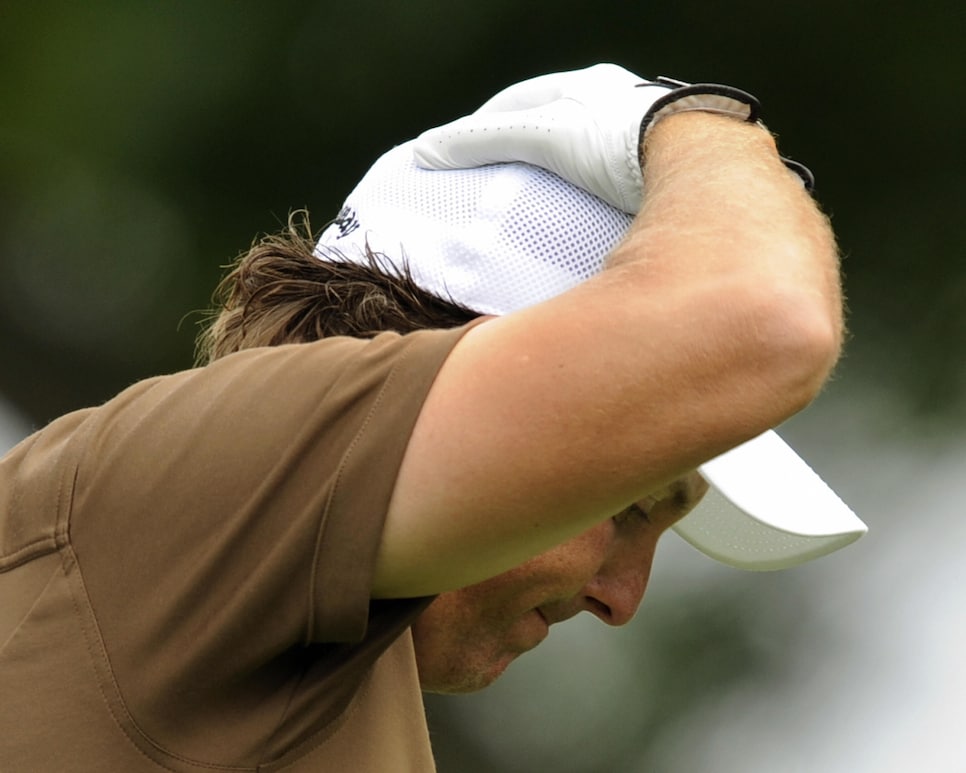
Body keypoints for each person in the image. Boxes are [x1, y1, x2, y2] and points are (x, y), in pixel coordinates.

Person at [0, 64, 865, 770]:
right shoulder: (198, 494)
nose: (622, 597)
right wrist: (694, 124)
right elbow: (770, 324)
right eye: (631, 501)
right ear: (457, 371)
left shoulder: (322, 667)